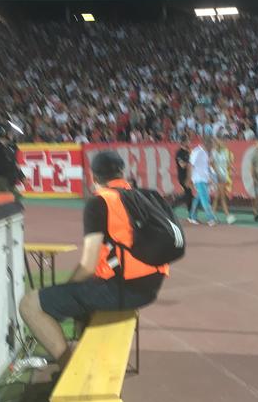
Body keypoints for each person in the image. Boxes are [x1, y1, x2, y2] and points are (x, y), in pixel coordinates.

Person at [18, 151, 167, 370]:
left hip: (126, 291)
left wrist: (66, 288)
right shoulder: (142, 197)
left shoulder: (101, 203)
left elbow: (88, 266)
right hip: (151, 286)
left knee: (30, 305)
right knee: (84, 293)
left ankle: (70, 370)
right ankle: (86, 356)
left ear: (94, 176)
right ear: (122, 173)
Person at [188, 136, 218, 226]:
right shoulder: (197, 152)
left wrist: (210, 177)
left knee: (198, 198)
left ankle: (192, 216)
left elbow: (206, 166)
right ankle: (211, 219)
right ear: (207, 144)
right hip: (198, 179)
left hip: (204, 179)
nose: (213, 147)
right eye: (212, 145)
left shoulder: (206, 152)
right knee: (205, 199)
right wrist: (191, 179)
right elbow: (191, 165)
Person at [211, 137, 236, 224]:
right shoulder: (214, 152)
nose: (224, 143)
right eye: (222, 142)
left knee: (218, 196)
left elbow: (228, 164)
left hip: (224, 176)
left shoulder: (225, 152)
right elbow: (212, 164)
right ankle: (228, 216)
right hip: (218, 176)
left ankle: (212, 216)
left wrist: (231, 168)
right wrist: (217, 174)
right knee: (222, 196)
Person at [174, 136, 192, 214]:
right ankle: (174, 204)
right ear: (183, 142)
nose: (189, 142)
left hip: (188, 175)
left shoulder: (188, 152)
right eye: (187, 141)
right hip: (182, 176)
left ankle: (190, 212)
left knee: (188, 194)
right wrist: (189, 162)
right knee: (188, 194)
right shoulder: (179, 153)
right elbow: (182, 165)